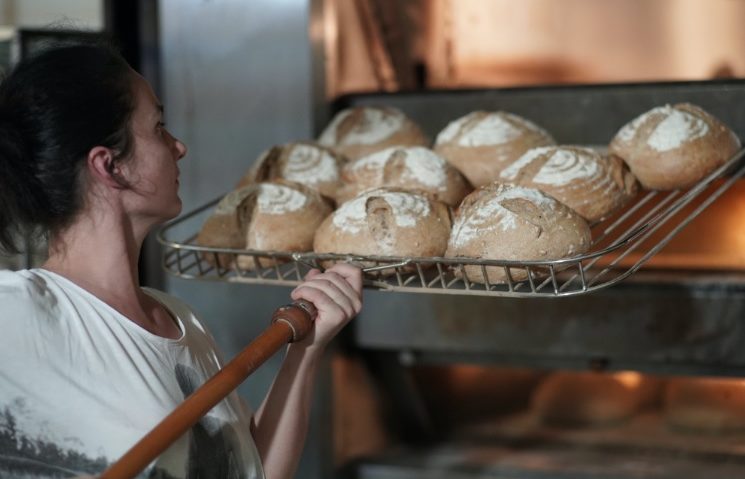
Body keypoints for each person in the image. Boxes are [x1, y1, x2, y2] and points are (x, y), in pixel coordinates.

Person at [0, 41, 362, 479]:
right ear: (109, 166)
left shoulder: (181, 321)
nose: (180, 146)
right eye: (159, 127)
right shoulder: (22, 311)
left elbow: (252, 471)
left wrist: (305, 352)